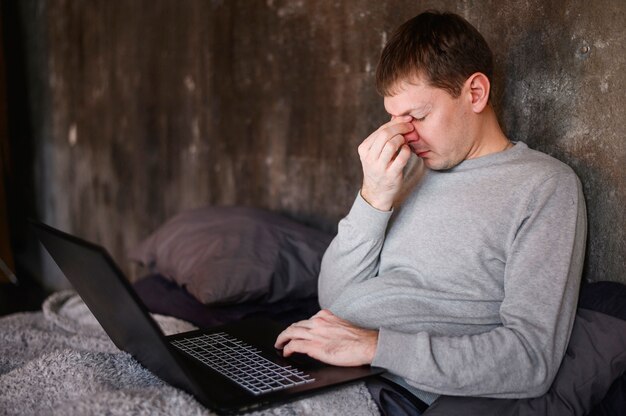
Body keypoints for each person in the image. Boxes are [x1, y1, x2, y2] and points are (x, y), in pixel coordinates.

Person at [275, 10, 587, 414]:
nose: (404, 133)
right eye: (395, 117)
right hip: (331, 365)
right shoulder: (405, 172)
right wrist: (373, 196)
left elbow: (530, 359)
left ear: (475, 93)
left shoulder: (543, 187)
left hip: (393, 388)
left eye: (418, 116)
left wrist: (375, 347)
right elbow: (333, 299)